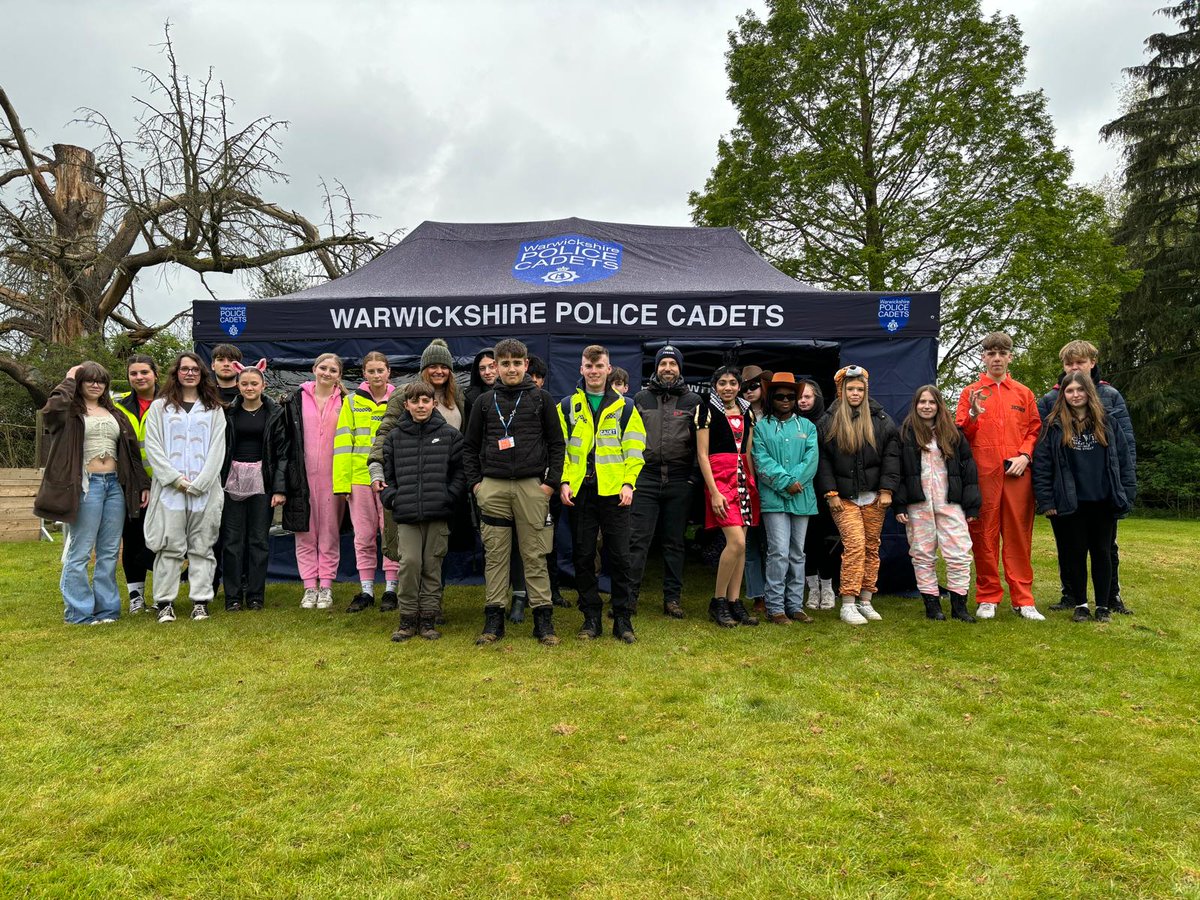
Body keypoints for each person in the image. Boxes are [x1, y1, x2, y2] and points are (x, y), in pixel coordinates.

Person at [463, 338, 565, 646]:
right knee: (495, 555)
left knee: (535, 553)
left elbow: (557, 444)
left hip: (532, 485)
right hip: (492, 486)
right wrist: (476, 484)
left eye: (517, 363)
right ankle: (494, 619)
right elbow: (469, 447)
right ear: (495, 366)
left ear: (526, 365)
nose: (511, 369)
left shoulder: (541, 399)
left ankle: (543, 621)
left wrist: (550, 483)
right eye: (504, 363)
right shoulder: (483, 402)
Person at [34, 362, 149, 625]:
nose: (96, 385)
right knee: (80, 550)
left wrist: (142, 484)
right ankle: (79, 612)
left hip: (113, 486)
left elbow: (131, 453)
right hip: (87, 485)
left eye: (101, 381)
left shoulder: (114, 413)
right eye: (89, 380)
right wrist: (69, 377)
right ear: (80, 384)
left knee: (109, 552)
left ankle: (107, 611)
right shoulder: (69, 412)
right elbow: (50, 412)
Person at [1037, 340, 1136, 615]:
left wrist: (1124, 488)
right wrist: (1047, 495)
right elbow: (1042, 449)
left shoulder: (1110, 396)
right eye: (1068, 364)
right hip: (1067, 491)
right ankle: (1071, 595)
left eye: (1079, 362)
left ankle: (1111, 596)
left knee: (1105, 547)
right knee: (1069, 547)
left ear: (1092, 362)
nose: (1074, 367)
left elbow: (1125, 445)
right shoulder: (1050, 400)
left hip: (1102, 492)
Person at [559, 345, 646, 643]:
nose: (594, 371)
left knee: (620, 557)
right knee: (583, 557)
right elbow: (563, 451)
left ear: (609, 369)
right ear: (581, 369)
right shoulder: (568, 406)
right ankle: (591, 618)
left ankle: (622, 619)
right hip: (581, 493)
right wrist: (565, 482)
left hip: (615, 494)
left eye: (600, 366)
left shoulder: (627, 407)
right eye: (589, 366)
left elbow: (635, 450)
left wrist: (628, 483)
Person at [955, 332, 1044, 620]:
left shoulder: (1023, 392)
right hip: (983, 474)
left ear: (1010, 357)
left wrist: (1025, 455)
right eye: (991, 353)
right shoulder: (971, 393)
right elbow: (960, 432)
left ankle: (1023, 599)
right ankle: (988, 596)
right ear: (983, 356)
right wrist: (974, 414)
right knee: (983, 535)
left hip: (1017, 474)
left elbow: (1034, 429)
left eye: (1001, 353)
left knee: (1019, 535)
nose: (996, 358)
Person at [143, 353, 228, 623]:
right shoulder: (160, 408)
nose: (189, 373)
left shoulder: (213, 409)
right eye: (184, 369)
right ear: (176, 373)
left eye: (194, 369)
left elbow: (218, 448)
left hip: (205, 490)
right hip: (170, 490)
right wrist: (175, 479)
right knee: (170, 547)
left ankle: (200, 601)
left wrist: (201, 482)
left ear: (202, 374)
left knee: (202, 546)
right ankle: (164, 602)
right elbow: (153, 446)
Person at [380, 381, 466, 640]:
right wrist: (392, 497)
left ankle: (428, 619)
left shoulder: (450, 436)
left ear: (434, 403)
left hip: (438, 513)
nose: (420, 406)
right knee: (409, 564)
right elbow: (387, 474)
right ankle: (407, 619)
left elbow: (460, 472)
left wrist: (449, 497)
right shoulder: (395, 437)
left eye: (425, 401)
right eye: (415, 401)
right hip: (406, 514)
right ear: (406, 405)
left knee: (432, 566)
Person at [815, 365, 900, 626]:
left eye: (859, 389)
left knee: (871, 547)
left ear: (866, 391)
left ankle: (866, 600)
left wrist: (887, 490)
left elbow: (891, 457)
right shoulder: (829, 421)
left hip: (875, 497)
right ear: (841, 391)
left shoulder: (882, 420)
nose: (855, 393)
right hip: (844, 498)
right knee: (853, 546)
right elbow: (824, 462)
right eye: (850, 389)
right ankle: (848, 603)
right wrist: (830, 493)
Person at [893, 385, 981, 623]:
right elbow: (897, 472)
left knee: (959, 553)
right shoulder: (904, 434)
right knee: (922, 554)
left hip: (949, 503)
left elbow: (968, 470)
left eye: (932, 402)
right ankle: (932, 605)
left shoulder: (953, 434)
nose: (927, 406)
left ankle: (959, 606)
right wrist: (899, 505)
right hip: (918, 504)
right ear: (915, 405)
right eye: (922, 402)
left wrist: (972, 505)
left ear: (939, 405)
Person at [630, 345, 701, 619]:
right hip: (645, 478)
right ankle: (629, 597)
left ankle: (672, 599)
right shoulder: (641, 398)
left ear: (679, 368)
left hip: (679, 478)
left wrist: (694, 478)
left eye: (673, 363)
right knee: (637, 541)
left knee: (674, 543)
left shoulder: (693, 401)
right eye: (663, 364)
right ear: (656, 368)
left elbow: (700, 442)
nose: (668, 368)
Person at [752, 372, 820, 625]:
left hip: (801, 497)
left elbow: (811, 459)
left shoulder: (808, 427)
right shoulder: (760, 427)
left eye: (791, 396)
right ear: (771, 397)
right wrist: (786, 483)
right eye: (779, 396)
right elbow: (761, 460)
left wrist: (795, 482)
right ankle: (775, 607)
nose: (785, 400)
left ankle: (795, 605)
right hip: (775, 498)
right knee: (778, 552)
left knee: (797, 553)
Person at [219, 366, 289, 611]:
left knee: (258, 540)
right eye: (244, 384)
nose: (249, 388)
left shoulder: (275, 413)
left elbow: (282, 454)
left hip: (263, 481)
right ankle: (233, 597)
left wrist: (279, 489)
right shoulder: (227, 412)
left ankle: (256, 595)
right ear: (238, 386)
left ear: (263, 386)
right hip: (231, 482)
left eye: (254, 384)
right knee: (232, 541)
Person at [696, 366, 761, 628]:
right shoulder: (706, 410)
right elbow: (702, 455)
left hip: (743, 480)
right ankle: (718, 600)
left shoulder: (747, 412)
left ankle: (735, 602)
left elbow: (748, 451)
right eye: (722, 383)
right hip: (720, 480)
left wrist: (752, 482)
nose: (727, 388)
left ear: (739, 386)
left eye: (732, 383)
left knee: (742, 544)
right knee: (735, 542)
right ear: (715, 386)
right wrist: (713, 491)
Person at [334, 351, 399, 613]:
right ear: (364, 374)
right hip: (359, 480)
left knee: (391, 535)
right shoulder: (350, 402)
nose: (376, 376)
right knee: (363, 537)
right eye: (370, 371)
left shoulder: (399, 399)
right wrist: (342, 484)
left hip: (389, 480)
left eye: (380, 370)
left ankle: (392, 590)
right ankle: (366, 590)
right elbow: (341, 443)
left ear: (388, 372)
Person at [282, 353, 347, 610]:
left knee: (329, 533)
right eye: (323, 368)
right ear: (314, 369)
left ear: (339, 375)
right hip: (302, 477)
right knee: (305, 532)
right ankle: (310, 587)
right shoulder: (295, 399)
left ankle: (327, 587)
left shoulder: (346, 401)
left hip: (334, 478)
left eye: (333, 369)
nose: (327, 373)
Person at [114, 354, 159, 614]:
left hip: (166, 482)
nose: (140, 377)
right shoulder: (117, 405)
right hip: (131, 484)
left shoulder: (168, 402)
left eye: (144, 372)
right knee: (132, 539)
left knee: (162, 540)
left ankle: (168, 589)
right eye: (134, 373)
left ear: (155, 374)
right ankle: (136, 597)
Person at [526, 356, 567, 608]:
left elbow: (558, 446)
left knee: (549, 542)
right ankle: (523, 593)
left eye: (536, 377)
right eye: (528, 377)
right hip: (521, 485)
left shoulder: (550, 405)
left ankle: (553, 591)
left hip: (548, 486)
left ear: (541, 380)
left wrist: (552, 483)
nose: (532, 382)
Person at [797, 379, 837, 610]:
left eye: (807, 397)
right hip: (801, 490)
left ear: (818, 398)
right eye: (799, 397)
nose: (803, 401)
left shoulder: (829, 423)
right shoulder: (793, 423)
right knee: (807, 543)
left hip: (825, 490)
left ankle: (828, 588)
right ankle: (812, 589)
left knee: (827, 542)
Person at [739, 364, 771, 615]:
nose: (749, 391)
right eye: (744, 387)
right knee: (749, 542)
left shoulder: (777, 413)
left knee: (772, 543)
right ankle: (757, 595)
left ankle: (774, 593)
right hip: (744, 481)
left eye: (754, 386)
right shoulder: (737, 414)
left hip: (771, 484)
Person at [462, 348, 497, 431]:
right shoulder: (470, 397)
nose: (487, 372)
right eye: (482, 368)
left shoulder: (513, 391)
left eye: (491, 367)